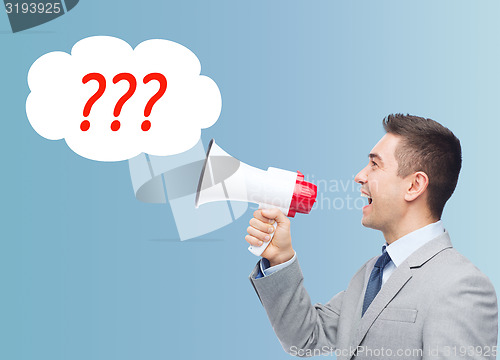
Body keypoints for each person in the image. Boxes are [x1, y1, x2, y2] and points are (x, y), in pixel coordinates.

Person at [246, 114, 498, 359]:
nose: (359, 176)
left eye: (374, 164)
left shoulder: (462, 286)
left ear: (414, 186)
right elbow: (305, 338)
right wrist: (280, 258)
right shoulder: (368, 276)